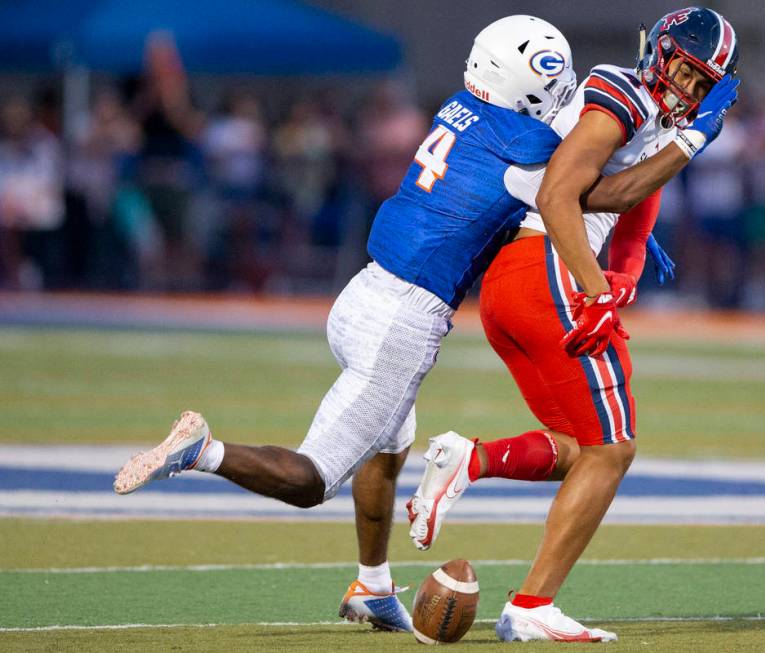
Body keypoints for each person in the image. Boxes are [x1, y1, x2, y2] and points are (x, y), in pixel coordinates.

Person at [113, 15, 586, 634]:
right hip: (405, 317)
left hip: (362, 292)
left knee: (389, 444)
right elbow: (586, 187)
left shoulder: (459, 109)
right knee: (313, 479)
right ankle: (204, 450)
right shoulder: (524, 143)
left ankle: (374, 585)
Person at [408, 7, 739, 642]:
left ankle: (469, 460)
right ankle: (532, 605)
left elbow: (625, 193)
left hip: (519, 280)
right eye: (685, 73)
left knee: (578, 448)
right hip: (549, 268)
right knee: (612, 449)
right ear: (658, 52)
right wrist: (595, 292)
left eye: (703, 86)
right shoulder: (621, 91)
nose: (688, 93)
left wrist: (630, 266)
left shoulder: (644, 112)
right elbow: (562, 195)